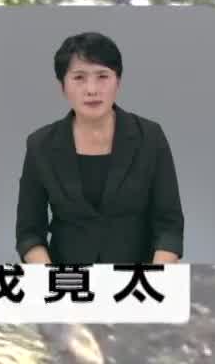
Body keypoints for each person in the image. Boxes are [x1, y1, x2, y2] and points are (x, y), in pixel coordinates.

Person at [14, 31, 186, 266]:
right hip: (67, 283)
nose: (92, 89)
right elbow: (29, 232)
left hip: (138, 283)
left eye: (102, 76)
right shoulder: (40, 145)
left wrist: (154, 280)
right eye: (79, 78)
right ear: (62, 86)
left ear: (118, 82)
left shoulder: (150, 137)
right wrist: (50, 279)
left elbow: (170, 225)